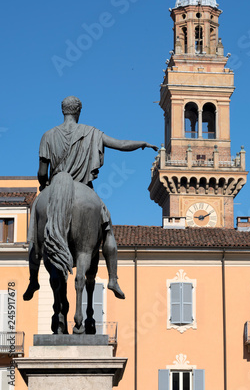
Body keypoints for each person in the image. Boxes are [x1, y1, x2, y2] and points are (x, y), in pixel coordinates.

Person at [23, 96, 158, 301]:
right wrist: (142, 143)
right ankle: (113, 279)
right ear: (78, 111)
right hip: (85, 190)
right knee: (108, 229)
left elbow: (42, 172)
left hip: (53, 186)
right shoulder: (92, 132)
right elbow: (121, 144)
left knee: (34, 233)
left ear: (63, 111)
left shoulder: (47, 135)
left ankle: (33, 280)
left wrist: (45, 186)